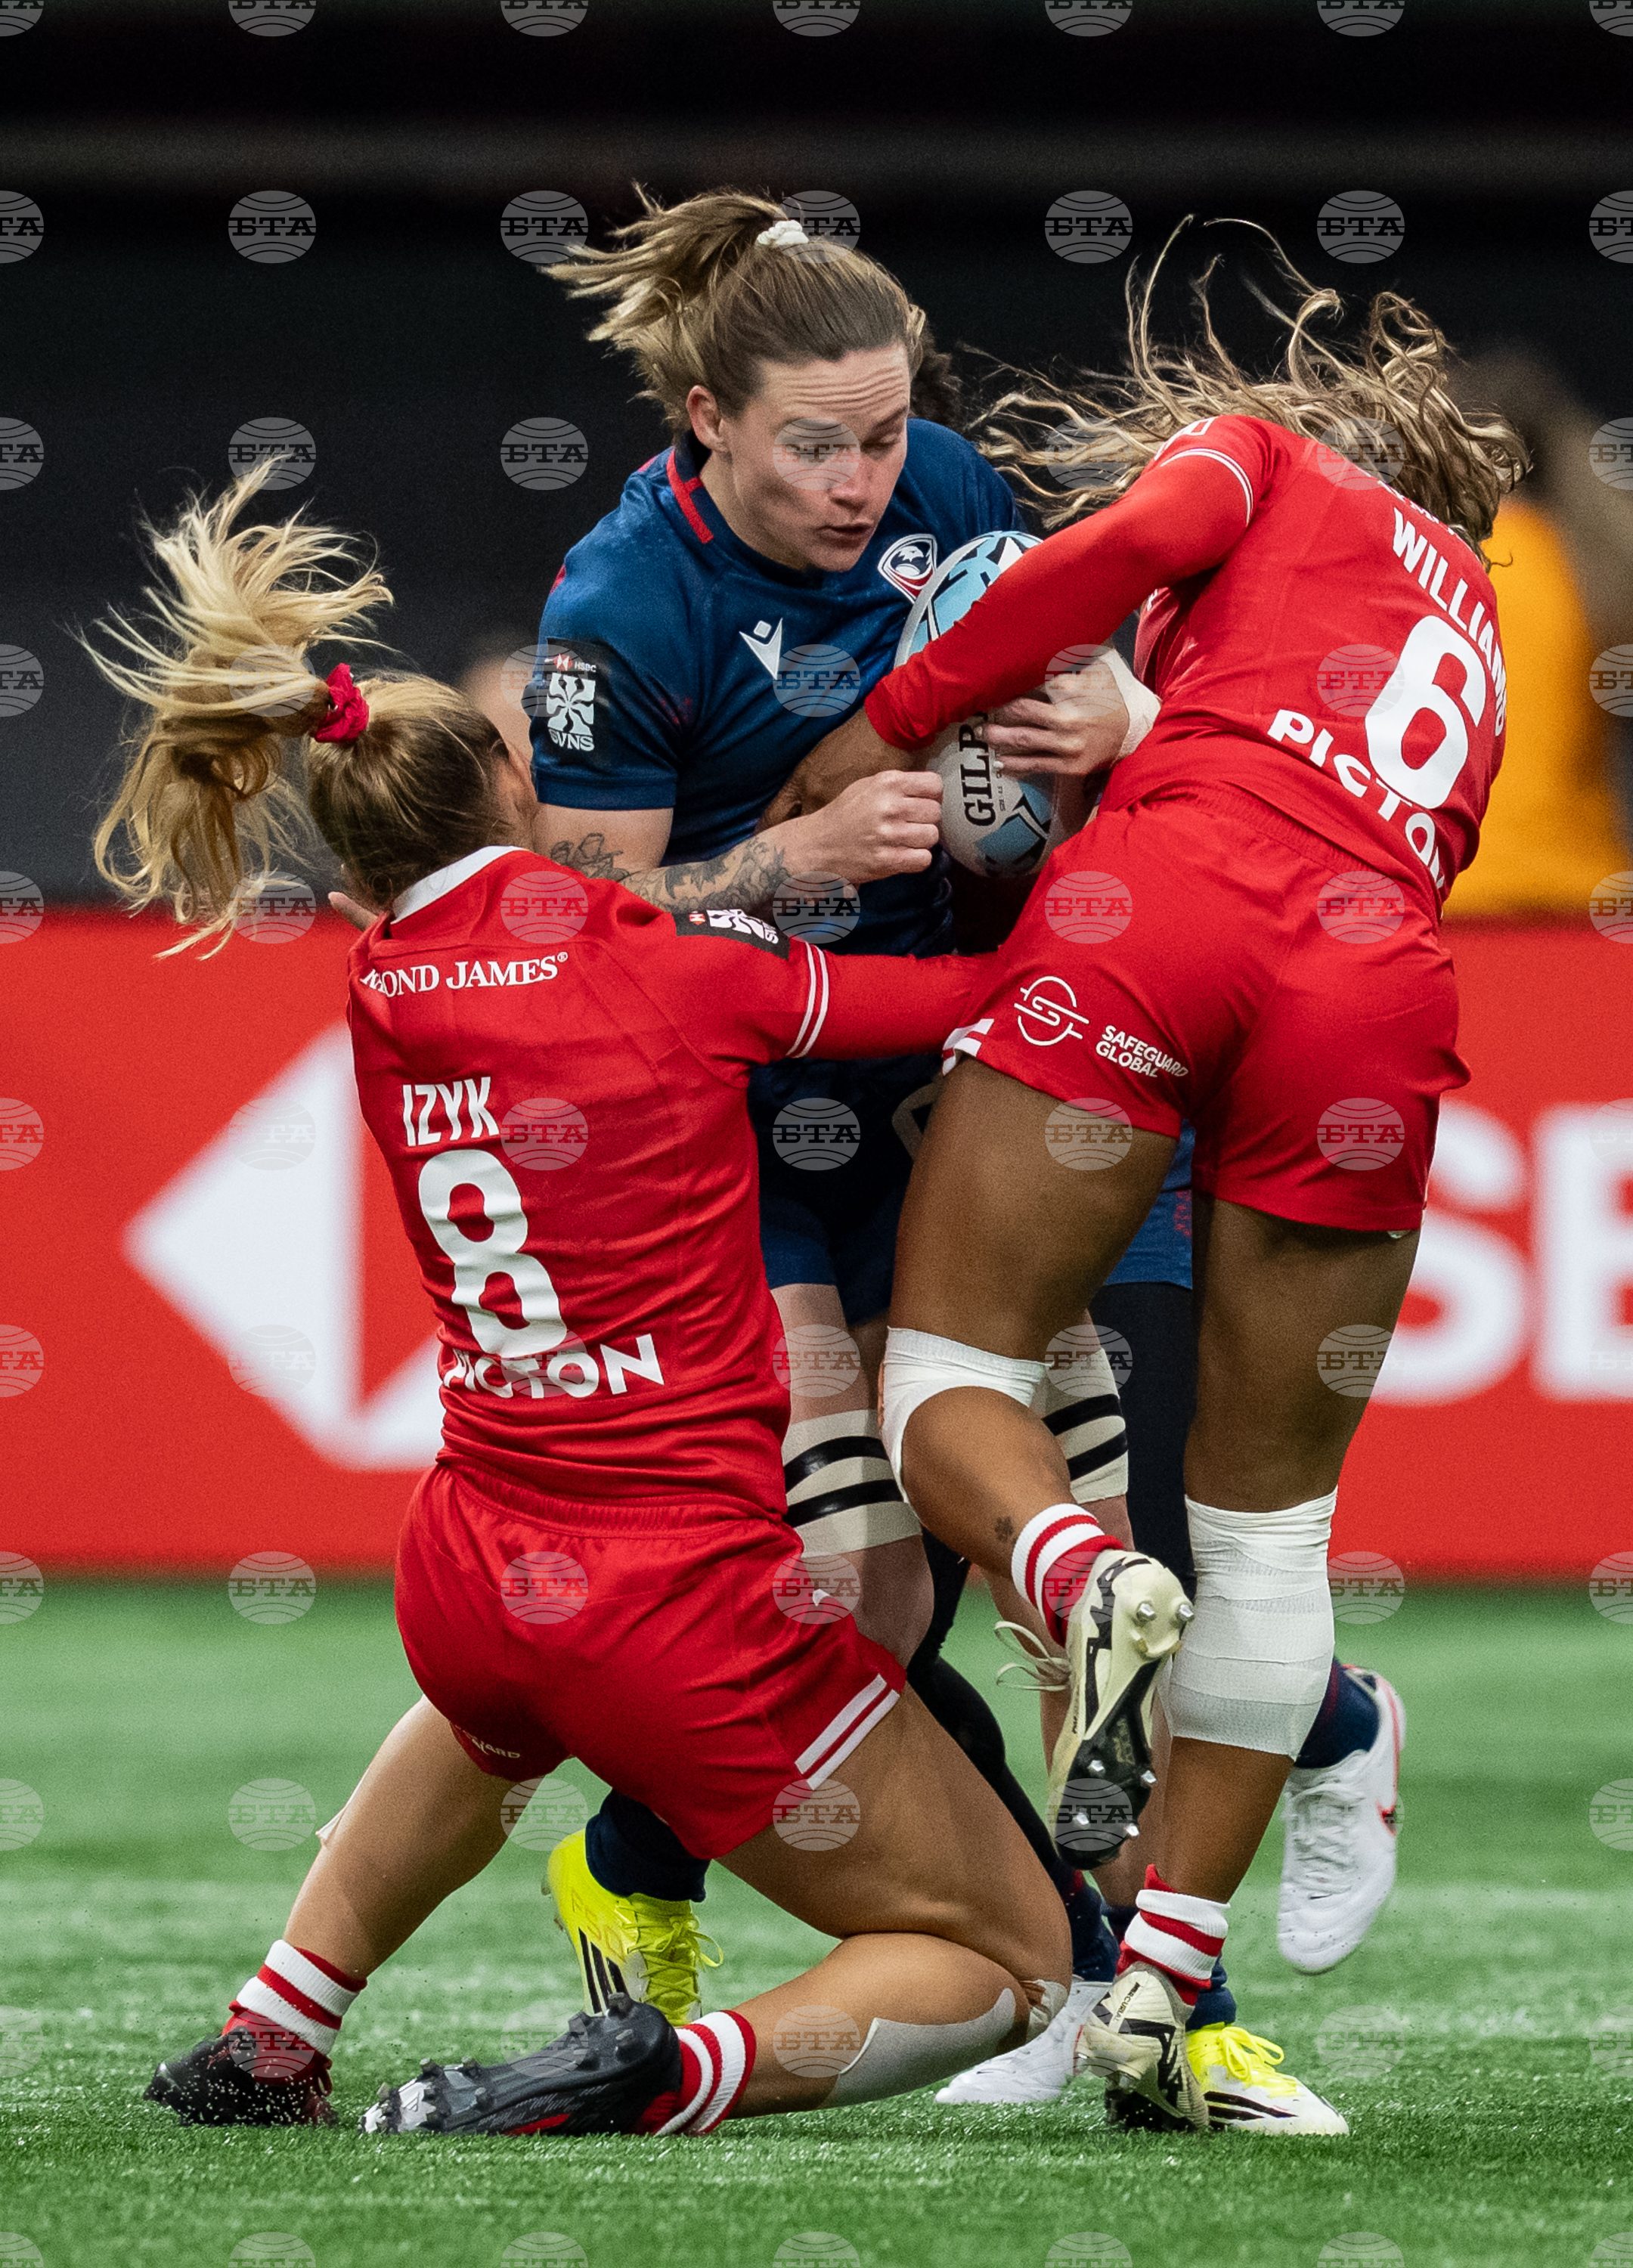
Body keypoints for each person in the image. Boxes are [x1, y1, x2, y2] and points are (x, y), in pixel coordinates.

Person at [91, 464, 1184, 2136]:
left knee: (481, 1724)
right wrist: (1128, 807)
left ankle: (271, 2033)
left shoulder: (383, 987)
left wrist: (741, 859)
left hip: (475, 1558)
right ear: (520, 783)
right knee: (1013, 1958)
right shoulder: (663, 967)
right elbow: (971, 994)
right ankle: (666, 2070)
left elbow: (533, 918)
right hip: (676, 1595)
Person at [516, 188, 1346, 2127]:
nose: (865, 478)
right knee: (861, 1610)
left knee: (1100, 1570)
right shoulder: (617, 607)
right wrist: (783, 871)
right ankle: (636, 1864)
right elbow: (584, 944)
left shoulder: (949, 489)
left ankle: (1128, 1998)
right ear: (705, 419)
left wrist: (1076, 748)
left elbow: (1093, 753)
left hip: (961, 1080)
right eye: (817, 441)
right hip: (745, 1140)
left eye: (887, 432)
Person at [777, 234, 1523, 2129]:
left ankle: (1075, 1571)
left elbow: (1099, 566)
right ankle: (1158, 1994)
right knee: (1272, 1538)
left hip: (1168, 914)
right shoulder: (1484, 642)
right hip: (1375, 971)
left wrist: (904, 711)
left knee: (949, 1382)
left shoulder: (1269, 460)